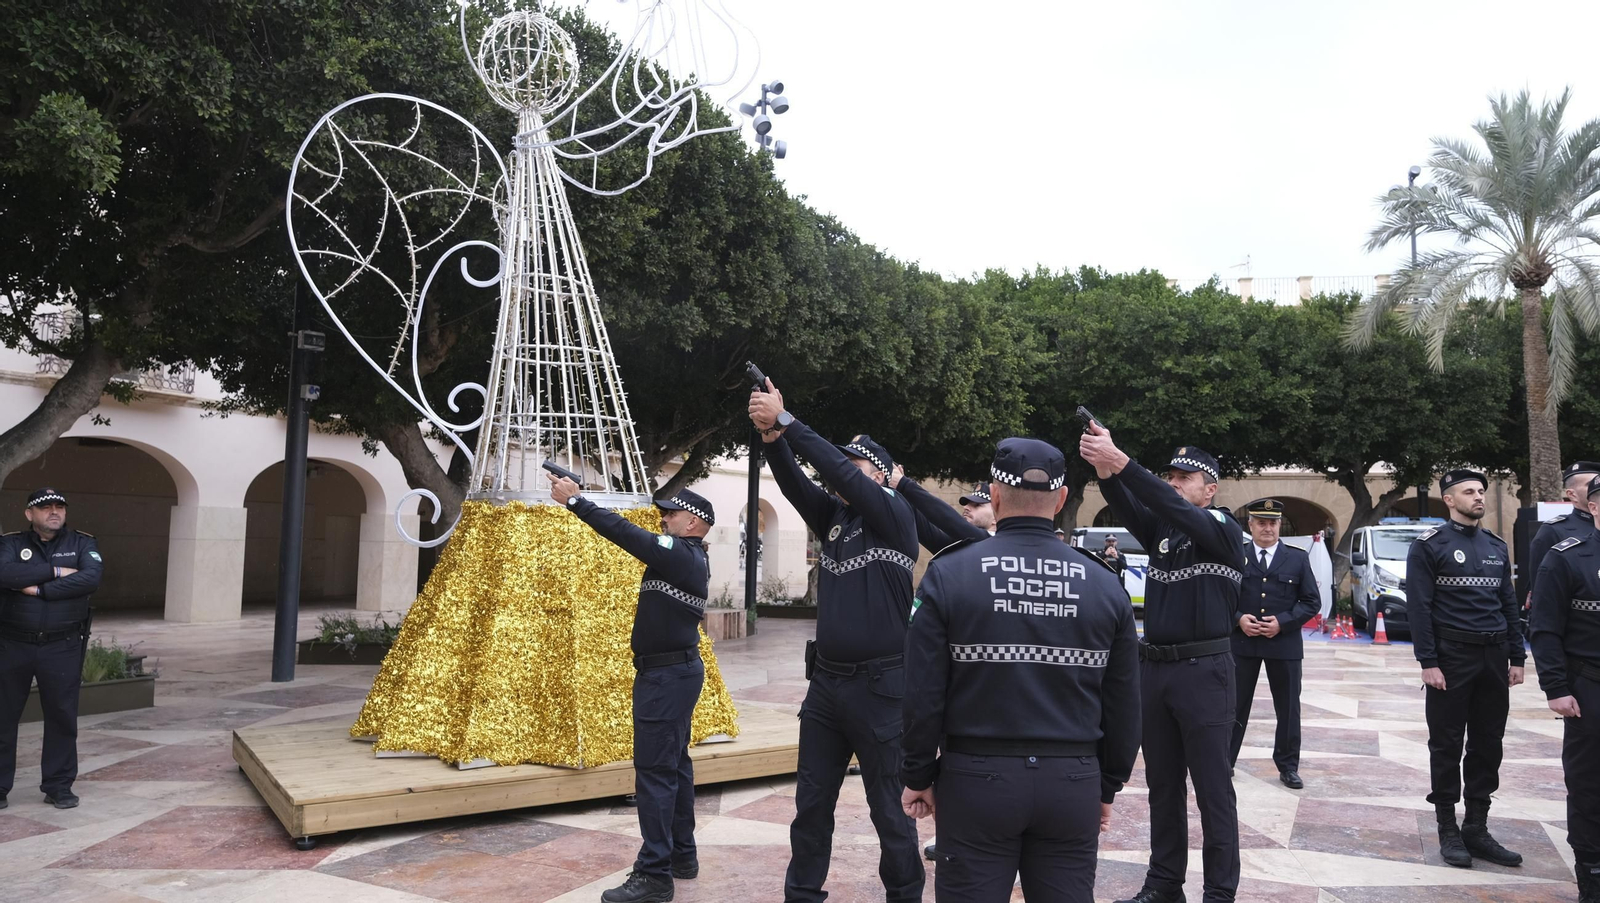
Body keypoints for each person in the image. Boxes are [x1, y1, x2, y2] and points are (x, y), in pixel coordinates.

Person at [901, 438, 1139, 902]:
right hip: (1072, 781)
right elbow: (1125, 700)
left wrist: (917, 773)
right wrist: (1108, 783)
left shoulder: (951, 572)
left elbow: (922, 690)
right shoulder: (1104, 584)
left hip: (976, 780)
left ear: (993, 494)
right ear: (1062, 498)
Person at [748, 380, 924, 903]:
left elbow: (840, 473)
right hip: (826, 688)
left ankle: (905, 895)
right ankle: (802, 894)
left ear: (879, 475)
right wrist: (772, 440)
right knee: (811, 805)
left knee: (889, 811)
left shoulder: (895, 514)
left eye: (856, 465)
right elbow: (797, 487)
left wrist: (789, 422)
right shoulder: (836, 519)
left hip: (882, 689)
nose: (843, 471)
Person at [1079, 429, 1244, 903]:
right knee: (1162, 785)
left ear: (1210, 488)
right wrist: (1105, 468)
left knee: (1213, 790)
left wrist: (1124, 461)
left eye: (1184, 477)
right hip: (1157, 670)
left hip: (1205, 672)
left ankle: (1219, 892)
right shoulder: (1166, 533)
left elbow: (1167, 505)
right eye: (1169, 476)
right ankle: (1165, 884)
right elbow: (1131, 504)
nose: (1173, 484)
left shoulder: (1224, 529)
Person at [549, 476, 714, 903]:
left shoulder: (683, 554)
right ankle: (682, 855)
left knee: (656, 774)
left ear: (695, 523)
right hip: (670, 674)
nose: (664, 518)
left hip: (666, 677)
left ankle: (655, 875)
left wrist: (578, 503)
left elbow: (626, 534)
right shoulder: (683, 557)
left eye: (672, 513)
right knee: (673, 765)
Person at [1406, 469, 1524, 869]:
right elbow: (1419, 609)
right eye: (1468, 492)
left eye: (1480, 491)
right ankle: (1447, 828)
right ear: (1449, 500)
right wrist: (1429, 663)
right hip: (1452, 658)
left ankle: (1476, 826)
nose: (1478, 497)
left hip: (1493, 658)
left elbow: (1507, 602)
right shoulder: (1429, 546)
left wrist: (1517, 656)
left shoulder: (1495, 544)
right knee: (1446, 745)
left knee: (1488, 743)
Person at [0, 488, 102, 811]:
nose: (54, 512)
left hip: (62, 644)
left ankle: (58, 786)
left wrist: (39, 590)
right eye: (45, 508)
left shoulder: (82, 544)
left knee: (61, 716)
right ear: (30, 514)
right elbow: (5, 574)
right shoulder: (11, 543)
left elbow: (90, 578)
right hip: (13, 642)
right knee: (3, 715)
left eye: (59, 507)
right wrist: (56, 572)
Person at [1528, 474, 1600, 903]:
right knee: (1589, 783)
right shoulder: (1566, 557)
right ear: (1593, 507)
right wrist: (1555, 687)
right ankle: (1591, 873)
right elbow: (1546, 628)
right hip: (1589, 688)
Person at [1227, 499, 1320, 789]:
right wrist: (1239, 618)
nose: (1267, 528)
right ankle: (1224, 761)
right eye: (1261, 522)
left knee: (1288, 707)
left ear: (1280, 525)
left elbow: (1311, 601)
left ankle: (1288, 766)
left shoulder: (1297, 557)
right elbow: (1219, 596)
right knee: (1233, 705)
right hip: (1243, 642)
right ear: (1250, 525)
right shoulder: (1233, 554)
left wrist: (1283, 622)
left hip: (1284, 643)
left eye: (1273, 522)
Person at [1526, 461, 1600, 614]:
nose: (1595, 488)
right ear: (1571, 494)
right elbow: (1542, 592)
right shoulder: (1553, 531)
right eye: (1589, 484)